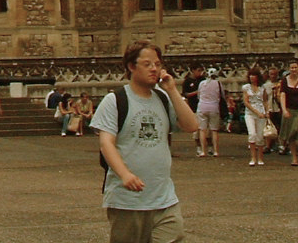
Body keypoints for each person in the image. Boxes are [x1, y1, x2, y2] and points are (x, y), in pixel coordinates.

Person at [93, 40, 198, 243]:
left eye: (157, 64)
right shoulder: (115, 100)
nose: (154, 69)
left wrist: (172, 90)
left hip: (164, 198)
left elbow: (191, 125)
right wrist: (125, 174)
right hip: (128, 200)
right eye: (147, 64)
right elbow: (106, 143)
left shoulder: (163, 98)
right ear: (131, 67)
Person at [194, 67, 225, 157]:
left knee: (202, 130)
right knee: (214, 130)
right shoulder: (218, 83)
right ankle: (215, 151)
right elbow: (222, 95)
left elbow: (199, 95)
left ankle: (203, 151)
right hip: (214, 107)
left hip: (202, 106)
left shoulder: (202, 83)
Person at [241, 68, 268, 166]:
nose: (252, 77)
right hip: (250, 113)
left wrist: (267, 111)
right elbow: (246, 102)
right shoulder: (246, 87)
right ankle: (253, 157)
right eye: (250, 75)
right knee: (252, 134)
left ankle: (260, 157)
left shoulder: (262, 87)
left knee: (260, 136)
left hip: (261, 113)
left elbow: (265, 100)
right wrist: (256, 112)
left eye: (254, 75)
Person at [263, 66, 284, 154]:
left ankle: (281, 145)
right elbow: (264, 99)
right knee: (270, 127)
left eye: (275, 74)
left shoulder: (281, 84)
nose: (273, 76)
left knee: (280, 127)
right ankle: (268, 146)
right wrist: (266, 109)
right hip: (270, 108)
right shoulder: (266, 86)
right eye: (271, 74)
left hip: (279, 108)